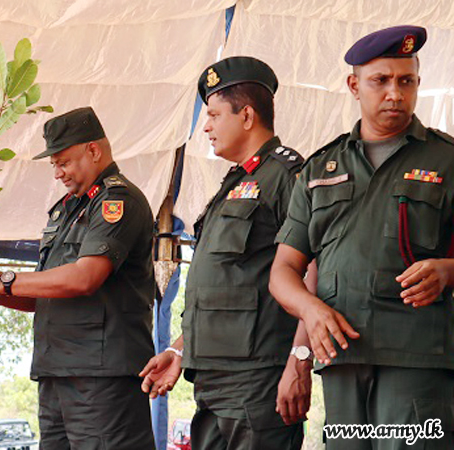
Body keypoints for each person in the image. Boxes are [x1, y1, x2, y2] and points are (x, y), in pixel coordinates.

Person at [270, 25, 454, 449]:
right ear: (354, 85)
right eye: (381, 81)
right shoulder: (320, 168)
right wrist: (310, 313)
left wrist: (446, 270)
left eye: (406, 81)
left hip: (416, 360)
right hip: (341, 357)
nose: (395, 93)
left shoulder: (446, 160)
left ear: (418, 83)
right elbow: (283, 271)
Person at [0, 106, 157, 449]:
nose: (58, 173)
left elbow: (84, 278)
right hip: (56, 372)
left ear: (93, 150)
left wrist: (2, 278)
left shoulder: (117, 200)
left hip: (100, 377)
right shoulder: (66, 209)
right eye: (53, 165)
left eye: (63, 162)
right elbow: (47, 290)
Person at [139, 56, 310, 450]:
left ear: (247, 115)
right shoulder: (233, 184)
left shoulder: (286, 176)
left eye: (214, 114)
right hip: (212, 383)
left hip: (258, 382)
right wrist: (178, 349)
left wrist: (299, 360)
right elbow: (226, 287)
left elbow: (313, 273)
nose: (207, 126)